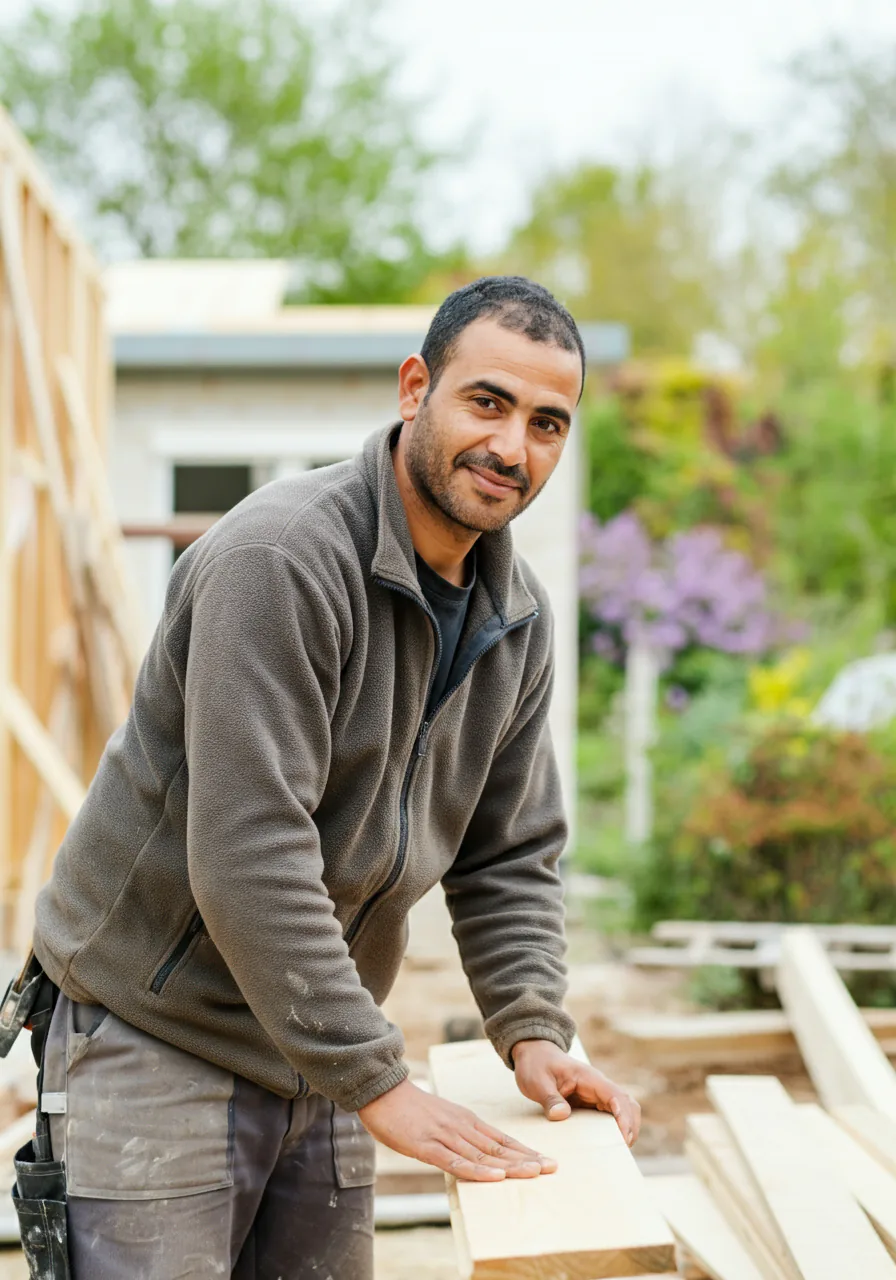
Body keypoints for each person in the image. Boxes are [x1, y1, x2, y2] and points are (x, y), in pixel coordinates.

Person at [28, 276, 641, 1277]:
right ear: (414, 389)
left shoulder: (515, 614)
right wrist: (377, 1079)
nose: (511, 447)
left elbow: (510, 853)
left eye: (545, 423)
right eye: (484, 402)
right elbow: (247, 853)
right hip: (157, 1034)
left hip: (318, 1039)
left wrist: (530, 1027)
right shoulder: (279, 560)